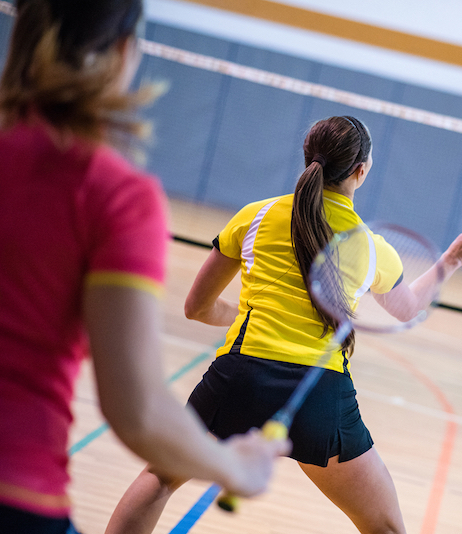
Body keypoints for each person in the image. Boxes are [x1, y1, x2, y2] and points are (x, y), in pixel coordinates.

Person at [105, 115, 462, 534]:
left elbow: (197, 307)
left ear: (308, 157)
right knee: (386, 529)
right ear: (361, 171)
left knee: (159, 479)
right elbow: (407, 307)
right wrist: (450, 261)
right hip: (320, 396)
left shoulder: (256, 216)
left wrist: (238, 317)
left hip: (239, 376)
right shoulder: (372, 247)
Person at [0, 2, 289, 533]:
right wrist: (235, 467)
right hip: (16, 493)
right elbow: (137, 411)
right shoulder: (114, 195)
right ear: (122, 51)